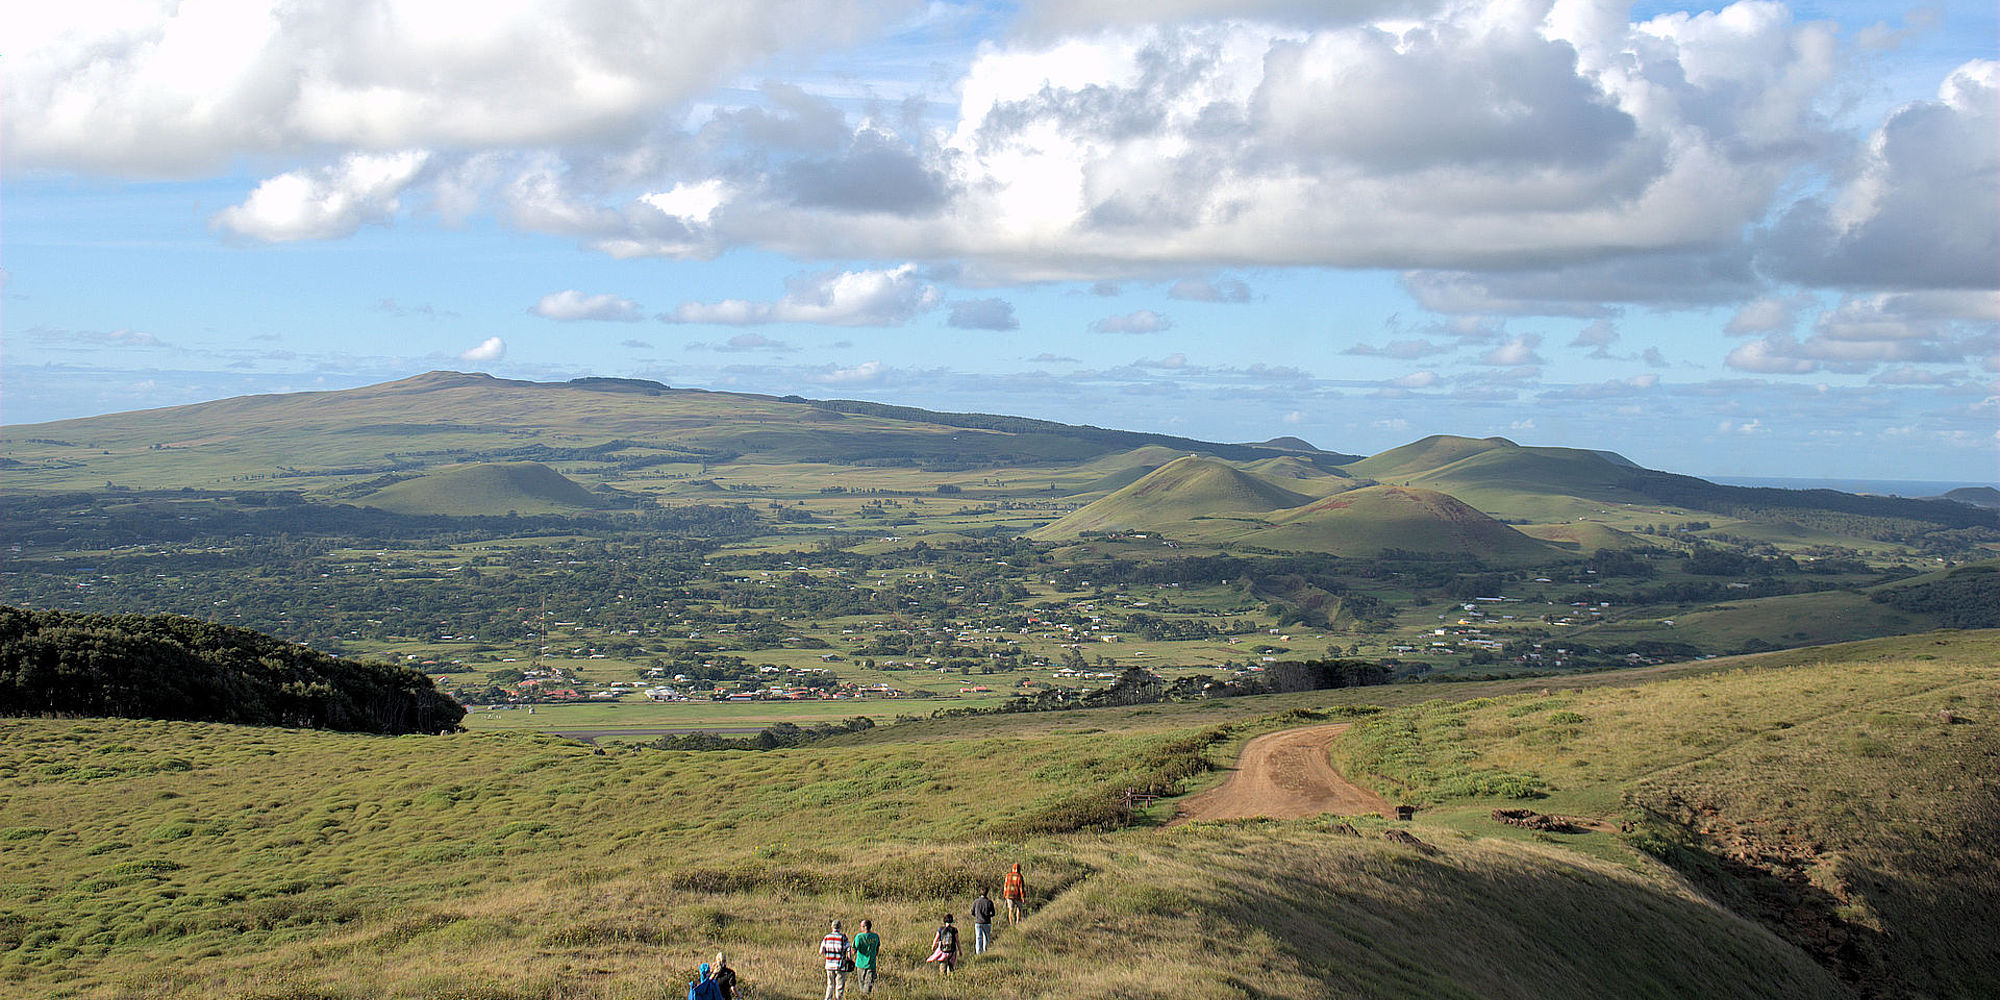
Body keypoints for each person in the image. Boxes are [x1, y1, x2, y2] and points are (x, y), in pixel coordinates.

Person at [821, 919, 852, 1000]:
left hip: (829, 965)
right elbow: (849, 950)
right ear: (840, 927)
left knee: (830, 985)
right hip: (840, 966)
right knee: (839, 987)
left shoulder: (827, 937)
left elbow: (821, 951)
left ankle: (828, 998)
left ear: (832, 927)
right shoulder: (843, 938)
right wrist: (849, 960)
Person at [853, 918, 881, 994]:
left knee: (862, 985)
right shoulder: (875, 936)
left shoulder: (859, 937)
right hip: (871, 964)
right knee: (869, 986)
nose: (860, 928)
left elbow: (854, 949)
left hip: (860, 964)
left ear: (865, 927)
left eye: (861, 926)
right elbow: (877, 948)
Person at [970, 889, 996, 955]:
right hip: (987, 922)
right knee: (986, 937)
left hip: (978, 922)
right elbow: (993, 913)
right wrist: (988, 916)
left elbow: (972, 912)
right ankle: (985, 950)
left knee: (978, 937)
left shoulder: (976, 902)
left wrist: (977, 916)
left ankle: (978, 952)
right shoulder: (989, 902)